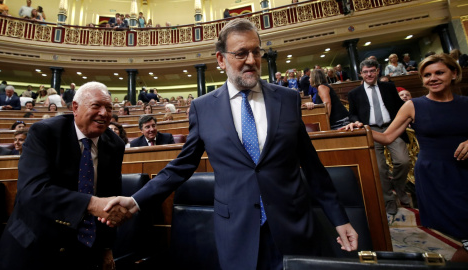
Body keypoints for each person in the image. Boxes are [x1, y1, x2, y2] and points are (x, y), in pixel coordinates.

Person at [102, 18, 358, 270]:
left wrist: (339, 218)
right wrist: (135, 201)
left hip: (293, 227)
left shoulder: (287, 99)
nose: (251, 61)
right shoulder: (203, 108)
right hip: (236, 231)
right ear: (221, 59)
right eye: (241, 53)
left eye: (256, 52)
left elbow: (312, 166)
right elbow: (181, 166)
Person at [0, 81, 130, 270]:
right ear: (75, 107)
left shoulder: (115, 144)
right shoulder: (45, 132)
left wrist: (106, 247)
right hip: (33, 244)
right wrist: (90, 203)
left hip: (82, 250)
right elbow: (32, 191)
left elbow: (110, 198)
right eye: (96, 106)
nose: (104, 113)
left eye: (108, 107)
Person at [359, 54, 468, 262]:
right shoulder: (413, 106)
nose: (432, 78)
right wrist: (361, 129)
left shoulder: (466, 103)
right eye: (427, 75)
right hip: (436, 177)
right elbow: (388, 136)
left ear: (454, 74)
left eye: (439, 73)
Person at [345, 58, 411, 215]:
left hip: (392, 127)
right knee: (380, 169)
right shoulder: (354, 93)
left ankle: (400, 189)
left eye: (372, 71)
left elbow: (399, 106)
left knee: (403, 161)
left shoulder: (388, 87)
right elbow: (352, 114)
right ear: (361, 74)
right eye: (366, 72)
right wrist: (357, 122)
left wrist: (407, 118)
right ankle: (389, 200)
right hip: (371, 131)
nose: (369, 74)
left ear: (377, 71)